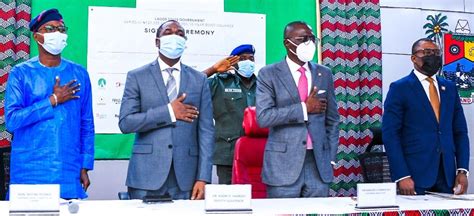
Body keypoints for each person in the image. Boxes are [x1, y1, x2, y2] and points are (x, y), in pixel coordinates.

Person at [118, 20, 214, 200]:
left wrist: (203, 177)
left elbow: (207, 132)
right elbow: (126, 123)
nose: (174, 37)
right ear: (157, 42)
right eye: (168, 32)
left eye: (179, 34)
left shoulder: (199, 80)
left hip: (186, 178)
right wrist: (168, 112)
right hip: (146, 176)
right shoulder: (137, 76)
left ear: (185, 42)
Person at [5, 8, 94, 199]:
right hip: (30, 170)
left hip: (67, 168)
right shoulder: (21, 73)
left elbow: (86, 123)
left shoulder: (79, 74)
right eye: (50, 29)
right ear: (37, 37)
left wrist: (85, 164)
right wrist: (52, 100)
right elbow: (12, 120)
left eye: (61, 29)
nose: (58, 34)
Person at [256, 21, 340, 198]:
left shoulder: (324, 73)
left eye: (312, 38)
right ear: (287, 43)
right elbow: (264, 117)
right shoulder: (268, 74)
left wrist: (330, 157)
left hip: (318, 164)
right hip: (283, 166)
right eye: (303, 39)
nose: (309, 43)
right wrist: (304, 108)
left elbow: (332, 120)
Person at [383, 38, 470, 195]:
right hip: (413, 176)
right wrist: (402, 175)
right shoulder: (400, 88)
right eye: (427, 52)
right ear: (414, 58)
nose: (433, 56)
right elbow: (390, 135)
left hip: (447, 175)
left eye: (437, 53)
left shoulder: (449, 88)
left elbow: (460, 132)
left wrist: (462, 170)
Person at [205, 44, 258, 184]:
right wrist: (213, 70)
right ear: (234, 63)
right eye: (242, 58)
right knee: (229, 198)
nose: (248, 62)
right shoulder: (220, 82)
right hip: (228, 153)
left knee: (259, 198)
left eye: (251, 58)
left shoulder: (263, 85)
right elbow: (192, 84)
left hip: (258, 153)